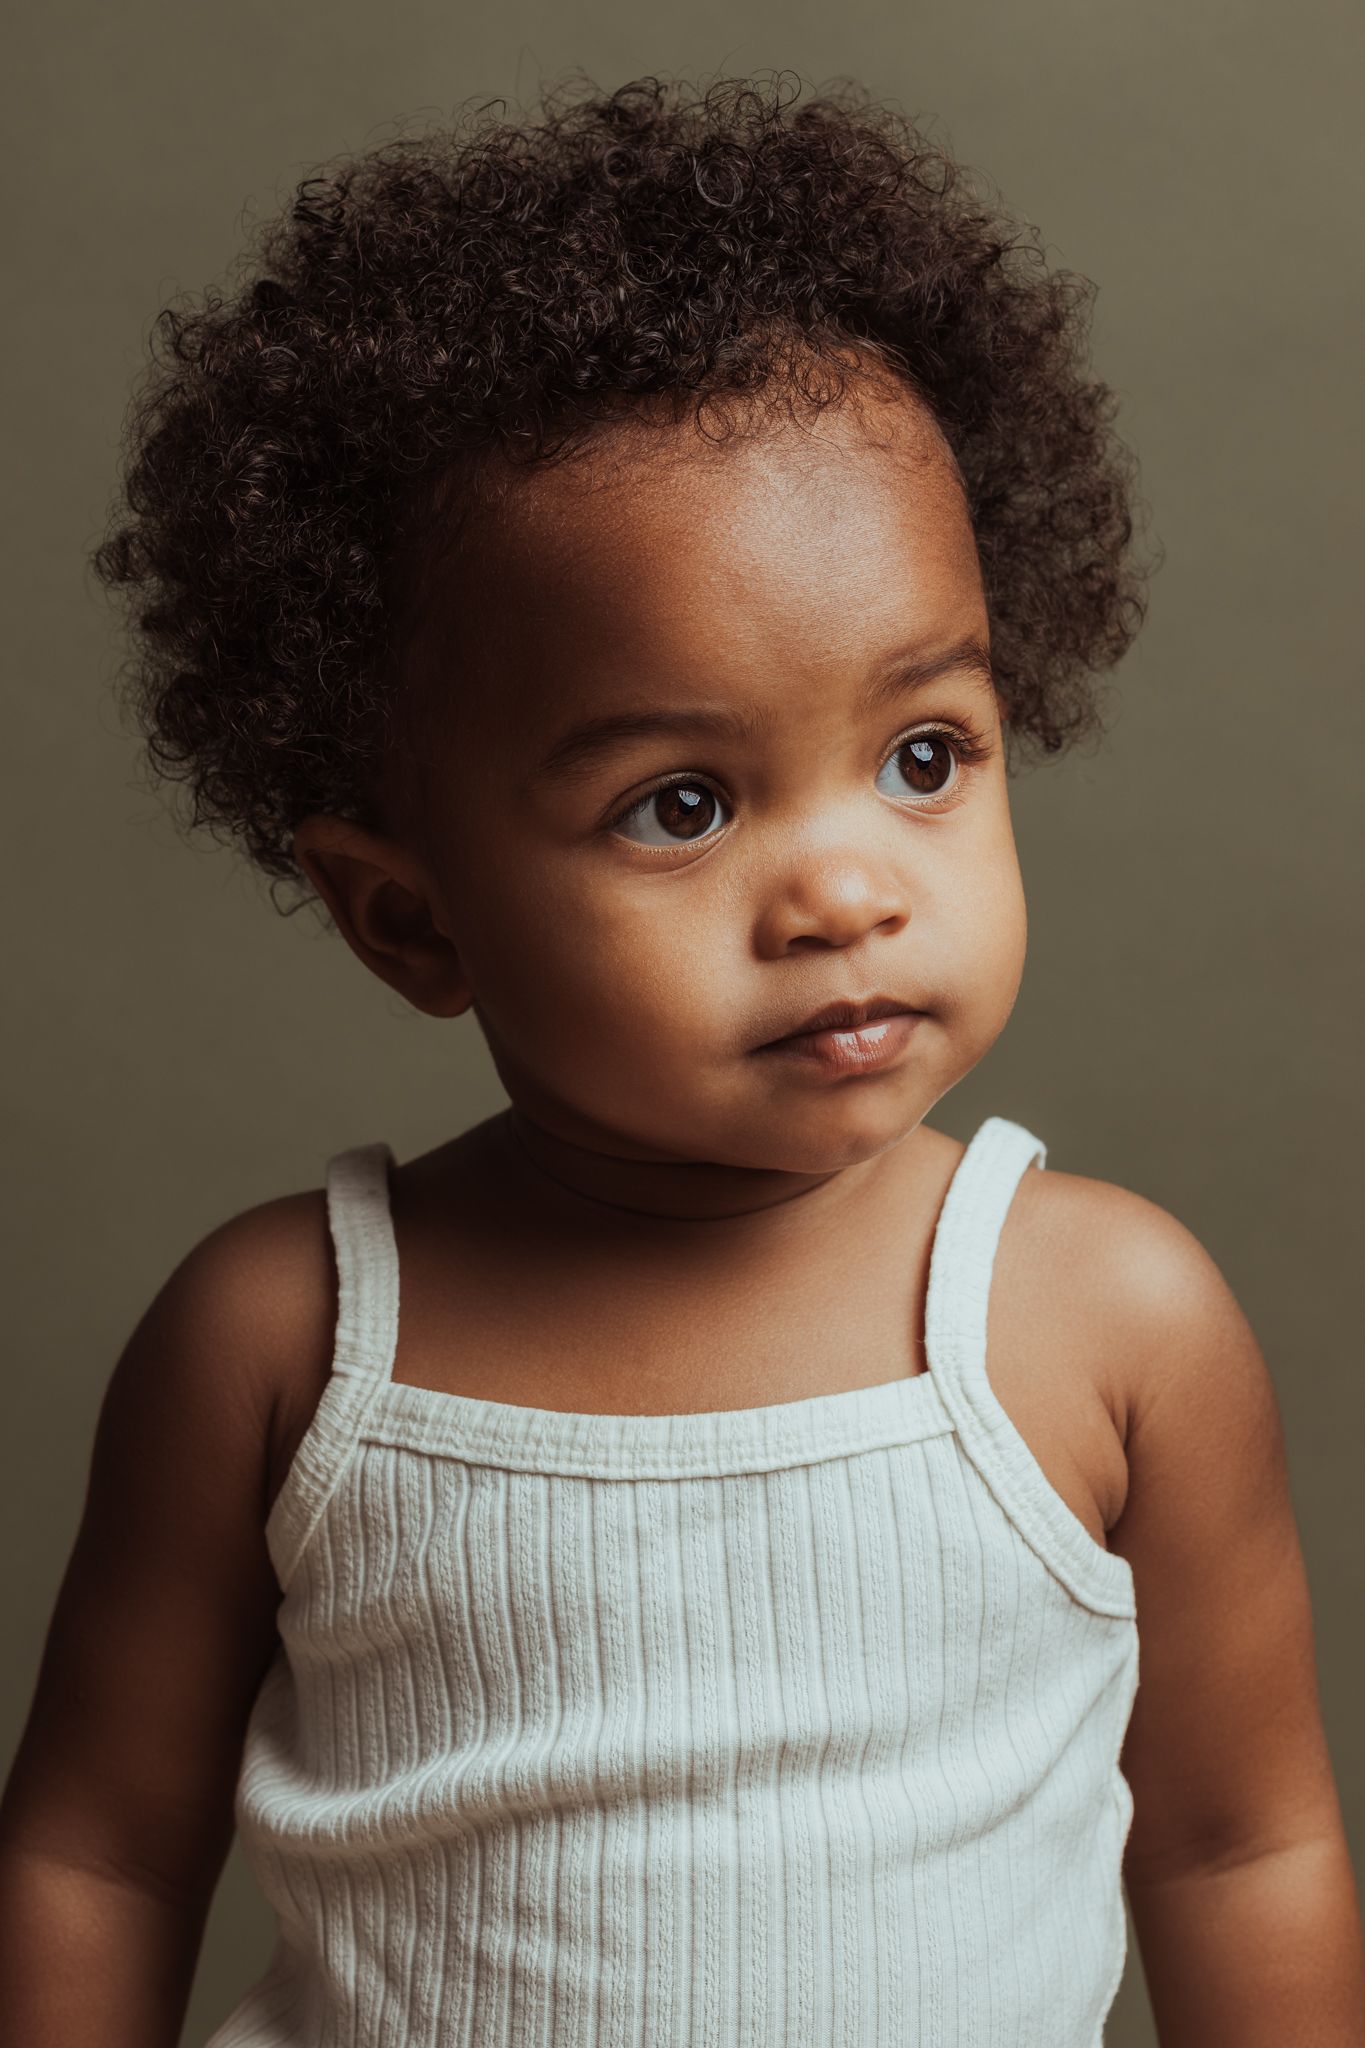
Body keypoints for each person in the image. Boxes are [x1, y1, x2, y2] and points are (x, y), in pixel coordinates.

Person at [1, 68, 1361, 2048]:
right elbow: (95, 1855)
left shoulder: (1106, 1320)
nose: (839, 888)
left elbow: (1242, 1843)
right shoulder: (288, 1339)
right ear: (412, 920)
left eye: (921, 758)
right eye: (678, 801)